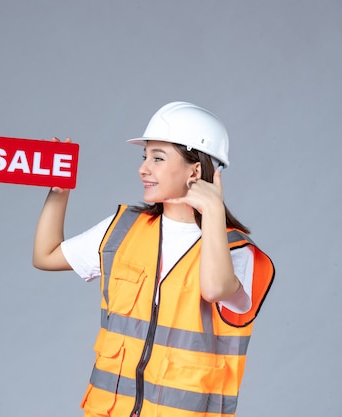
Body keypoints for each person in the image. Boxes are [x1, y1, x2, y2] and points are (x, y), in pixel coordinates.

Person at [32, 102, 275, 417]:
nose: (143, 168)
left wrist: (213, 211)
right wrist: (59, 192)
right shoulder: (122, 229)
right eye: (144, 157)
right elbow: (46, 255)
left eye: (158, 158)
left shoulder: (236, 250)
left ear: (196, 170)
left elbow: (215, 289)